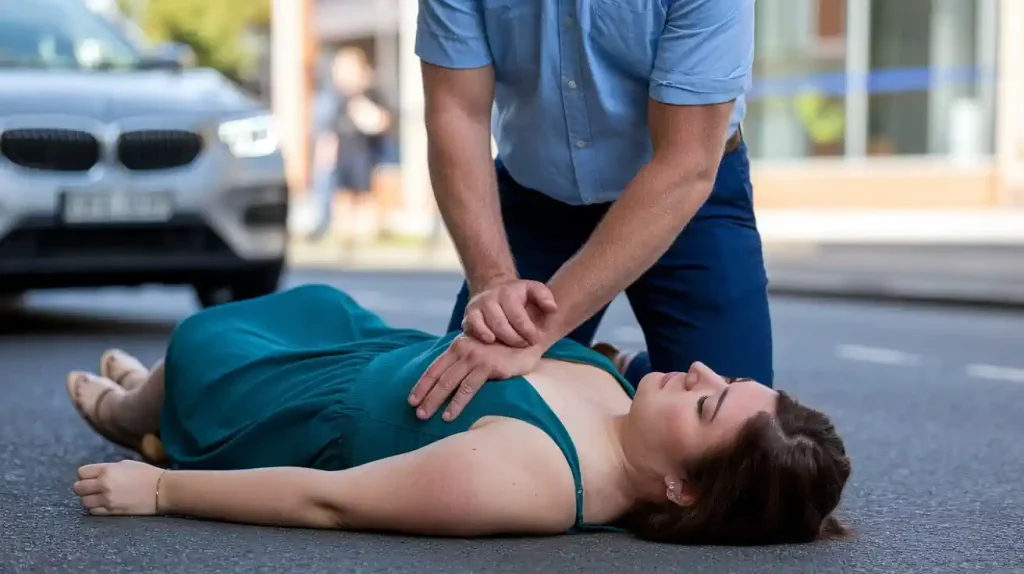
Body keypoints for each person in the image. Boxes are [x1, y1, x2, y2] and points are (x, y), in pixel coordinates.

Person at [66, 284, 851, 545]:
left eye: (710, 402)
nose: (698, 370)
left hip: (293, 405)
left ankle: (141, 418)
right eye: (726, 376)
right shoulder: (624, 400)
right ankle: (150, 401)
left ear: (682, 488)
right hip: (366, 343)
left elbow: (330, 503)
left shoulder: (527, 479)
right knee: (315, 303)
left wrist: (160, 495)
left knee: (205, 341)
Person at [408, 0, 773, 421]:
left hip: (683, 195)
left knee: (734, 444)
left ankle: (624, 372)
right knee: (461, 415)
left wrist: (539, 336)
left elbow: (684, 163)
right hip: (538, 193)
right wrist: (492, 282)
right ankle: (595, 376)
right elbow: (457, 113)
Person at [308, 46, 395, 242]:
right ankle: (343, 233)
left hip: (365, 152)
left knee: (365, 193)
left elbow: (383, 121)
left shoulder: (370, 93)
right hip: (344, 152)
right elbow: (329, 130)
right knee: (342, 193)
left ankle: (365, 233)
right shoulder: (335, 98)